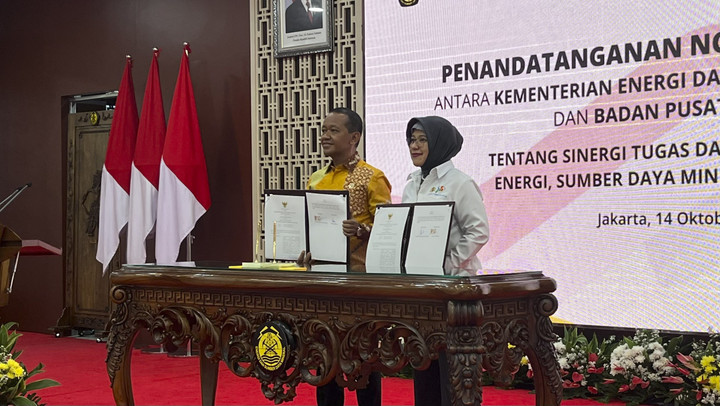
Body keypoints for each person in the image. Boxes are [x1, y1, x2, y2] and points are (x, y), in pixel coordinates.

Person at [302, 107, 391, 406]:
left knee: (365, 357)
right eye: (323, 130)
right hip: (322, 280)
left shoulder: (372, 177)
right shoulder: (316, 179)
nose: (325, 136)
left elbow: (390, 230)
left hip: (359, 283)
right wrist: (304, 251)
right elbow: (309, 227)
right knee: (324, 356)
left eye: (333, 130)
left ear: (354, 137)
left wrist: (363, 230)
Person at [402, 116, 489, 406]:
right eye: (412, 140)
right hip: (421, 288)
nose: (414, 146)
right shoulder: (411, 183)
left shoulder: (460, 183)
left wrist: (449, 264)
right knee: (424, 364)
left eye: (422, 140)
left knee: (451, 373)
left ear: (439, 143)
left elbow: (478, 231)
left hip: (454, 289)